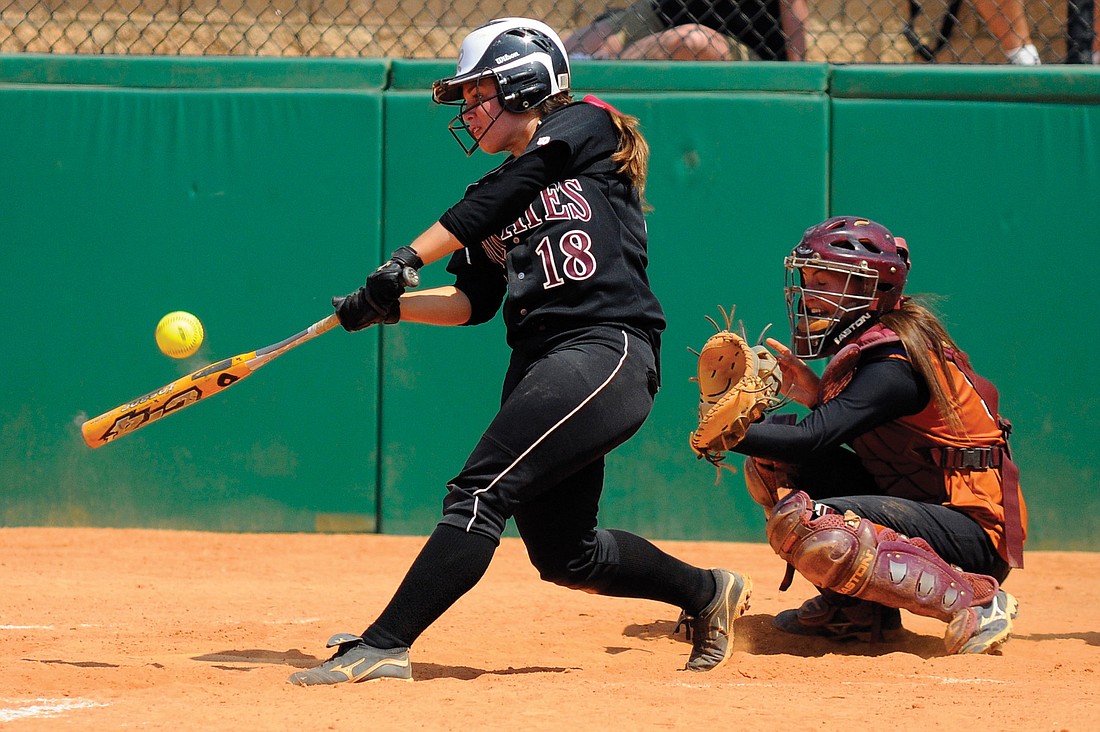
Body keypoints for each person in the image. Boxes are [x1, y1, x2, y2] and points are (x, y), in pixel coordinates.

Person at [287, 17, 752, 685]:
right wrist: (389, 308)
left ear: (524, 83)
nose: (469, 110)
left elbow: (519, 183)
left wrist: (407, 257)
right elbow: (472, 303)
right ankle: (708, 592)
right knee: (566, 555)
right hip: (542, 365)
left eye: (479, 94)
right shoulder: (488, 201)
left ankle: (385, 644)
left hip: (606, 350)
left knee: (477, 495)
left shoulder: (586, 128)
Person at [725, 216, 1026, 653]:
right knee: (774, 463)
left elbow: (812, 438)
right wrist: (812, 399)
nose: (809, 297)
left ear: (872, 291)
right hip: (919, 501)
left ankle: (978, 600)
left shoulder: (895, 363)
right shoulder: (876, 346)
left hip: (971, 534)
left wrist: (727, 433)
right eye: (807, 281)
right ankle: (855, 611)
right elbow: (834, 437)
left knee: (814, 523)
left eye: (825, 283)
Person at [563, 0, 808, 61]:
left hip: (749, 45)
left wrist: (796, 77)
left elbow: (794, 10)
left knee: (689, 40)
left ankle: (609, 71)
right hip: (667, 14)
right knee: (574, 47)